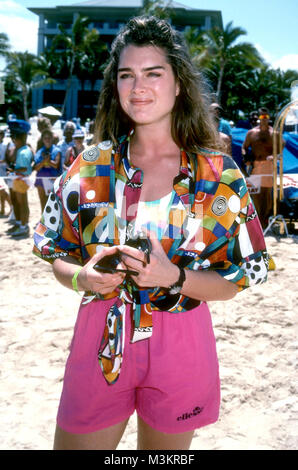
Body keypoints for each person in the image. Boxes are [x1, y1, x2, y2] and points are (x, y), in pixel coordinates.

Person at [33, 16, 268, 450]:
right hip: (98, 337)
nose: (138, 86)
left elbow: (237, 279)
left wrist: (174, 278)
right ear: (115, 85)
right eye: (127, 75)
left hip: (182, 343)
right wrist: (81, 278)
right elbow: (57, 254)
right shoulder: (90, 165)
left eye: (153, 73)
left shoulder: (218, 176)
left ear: (179, 84)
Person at [241, 107, 275, 229]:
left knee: (266, 195)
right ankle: (256, 221)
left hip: (268, 167)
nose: (263, 119)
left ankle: (264, 220)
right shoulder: (252, 133)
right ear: (259, 118)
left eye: (266, 117)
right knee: (255, 194)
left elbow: (280, 150)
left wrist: (273, 156)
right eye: (261, 117)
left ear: (269, 118)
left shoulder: (273, 134)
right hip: (255, 166)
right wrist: (246, 158)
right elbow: (244, 147)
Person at [6, 119, 33, 237]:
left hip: (21, 179)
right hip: (16, 178)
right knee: (17, 201)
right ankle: (19, 223)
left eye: (15, 137)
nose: (13, 140)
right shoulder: (20, 150)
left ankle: (24, 226)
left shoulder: (24, 151)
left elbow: (24, 168)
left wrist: (14, 170)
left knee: (22, 203)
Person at [33, 129, 61, 213]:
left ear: (52, 139)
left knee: (52, 202)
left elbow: (56, 165)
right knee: (42, 201)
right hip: (40, 179)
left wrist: (46, 162)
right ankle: (43, 221)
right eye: (45, 138)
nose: (47, 140)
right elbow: (36, 168)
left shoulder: (57, 151)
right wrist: (45, 162)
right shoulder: (39, 151)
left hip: (52, 179)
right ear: (42, 139)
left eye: (49, 138)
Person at [0, 128, 12, 216]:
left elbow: (7, 158)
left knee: (3, 190)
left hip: (4, 170)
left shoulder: (6, 145)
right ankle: (3, 208)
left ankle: (11, 206)